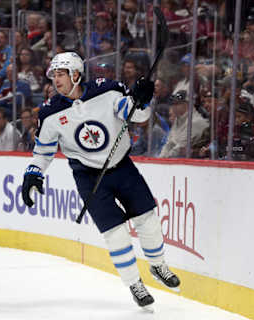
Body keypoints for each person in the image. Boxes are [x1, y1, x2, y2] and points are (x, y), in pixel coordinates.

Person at [21, 52, 180, 309]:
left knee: (147, 219)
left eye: (61, 74)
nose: (55, 80)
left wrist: (141, 99)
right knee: (115, 234)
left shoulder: (107, 90)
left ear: (75, 74)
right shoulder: (50, 112)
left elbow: (137, 116)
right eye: (53, 75)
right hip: (88, 177)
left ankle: (158, 265)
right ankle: (134, 284)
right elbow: (43, 151)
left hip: (122, 167)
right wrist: (33, 172)